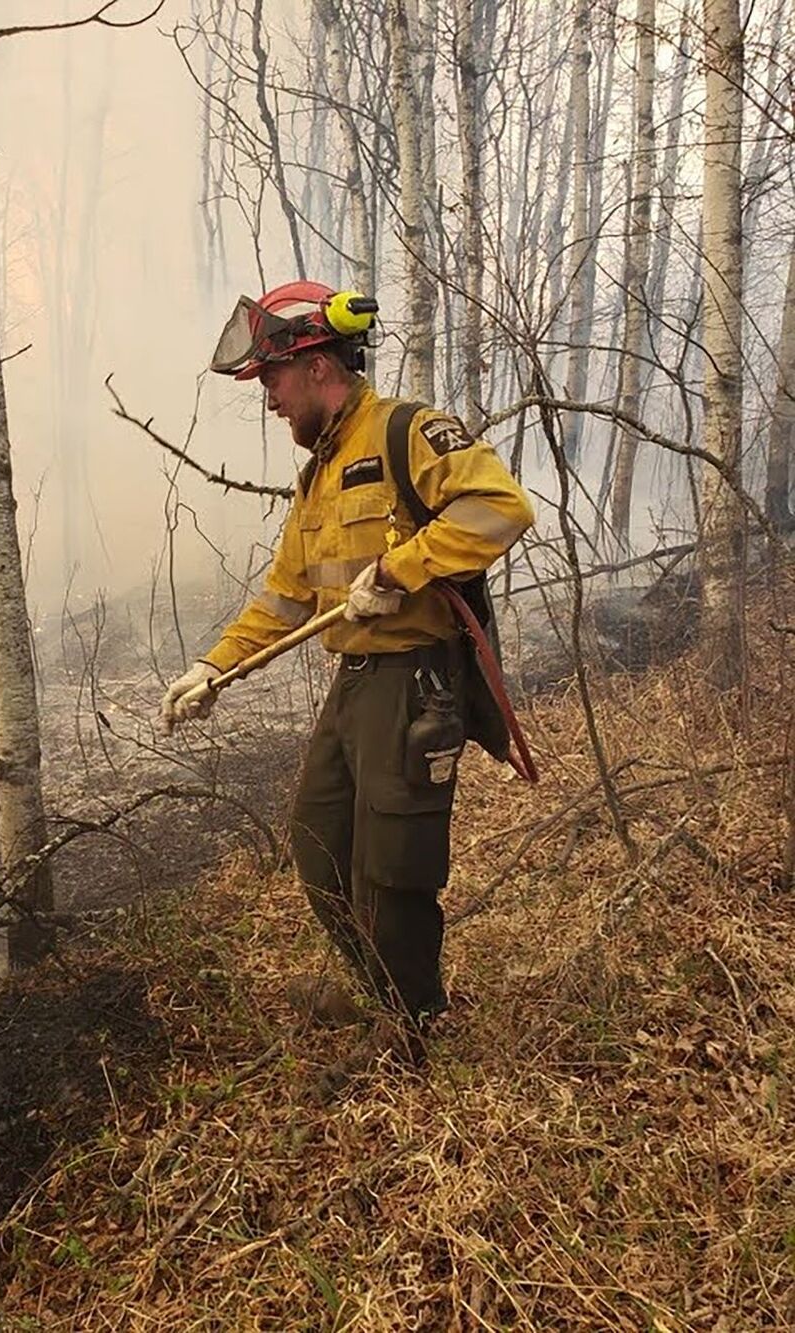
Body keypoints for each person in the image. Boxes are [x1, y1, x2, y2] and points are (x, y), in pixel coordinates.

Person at [161, 281, 534, 1100]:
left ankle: (415, 1025)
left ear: (318, 364)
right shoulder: (318, 474)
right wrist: (213, 666)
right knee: (318, 845)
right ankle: (383, 991)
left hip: (414, 680)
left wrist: (399, 570)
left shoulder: (406, 430)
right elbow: (286, 594)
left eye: (272, 382)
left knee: (390, 871)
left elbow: (501, 507)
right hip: (354, 680)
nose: (268, 400)